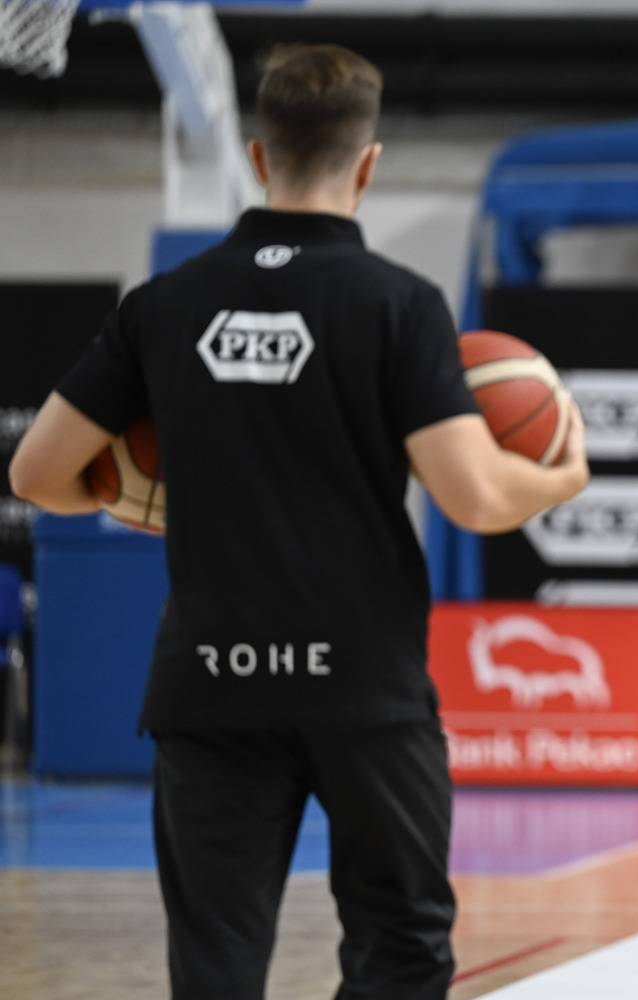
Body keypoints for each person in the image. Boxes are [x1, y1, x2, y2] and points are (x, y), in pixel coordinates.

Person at [8, 44, 588, 1000]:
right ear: (368, 162)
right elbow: (476, 497)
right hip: (364, 687)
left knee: (215, 966)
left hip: (209, 685)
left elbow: (36, 474)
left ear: (258, 155)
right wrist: (560, 477)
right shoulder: (398, 305)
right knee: (400, 950)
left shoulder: (164, 304)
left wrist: (145, 502)